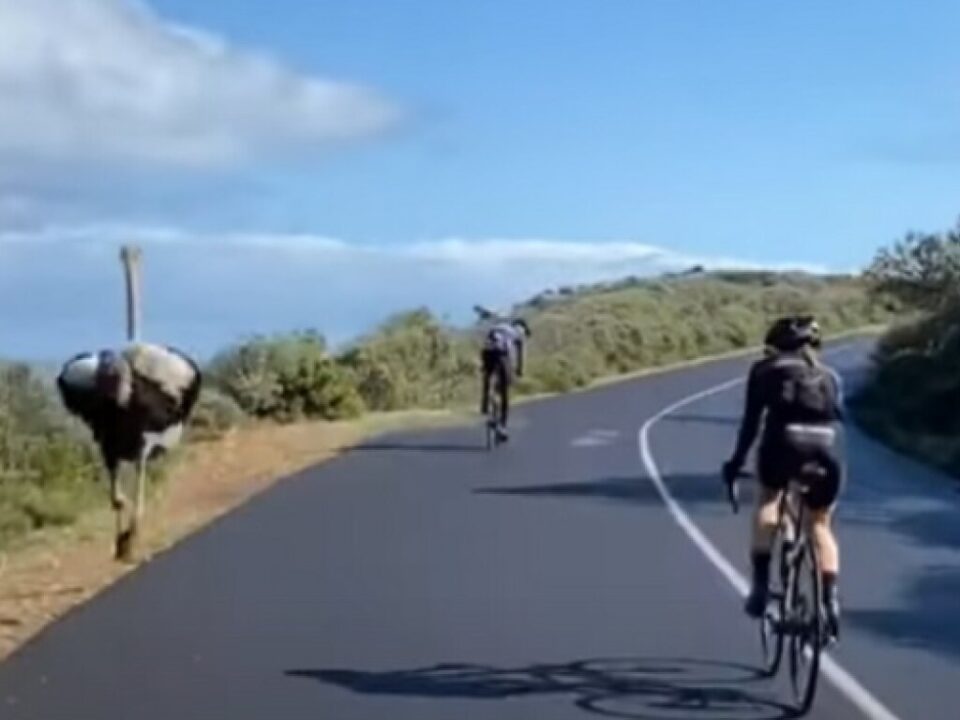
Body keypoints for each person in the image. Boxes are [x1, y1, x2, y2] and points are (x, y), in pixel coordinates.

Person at [722, 315, 845, 640]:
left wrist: (735, 463)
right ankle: (830, 602)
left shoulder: (764, 370)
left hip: (782, 444)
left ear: (776, 346)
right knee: (820, 524)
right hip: (826, 450)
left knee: (769, 499)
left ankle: (761, 587)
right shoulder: (829, 376)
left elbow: (751, 424)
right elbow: (839, 419)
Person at [474, 306, 531, 441]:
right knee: (505, 391)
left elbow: (486, 343)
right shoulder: (517, 332)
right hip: (502, 354)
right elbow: (520, 355)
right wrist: (519, 370)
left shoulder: (497, 327)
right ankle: (503, 426)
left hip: (487, 352)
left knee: (487, 376)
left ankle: (485, 404)